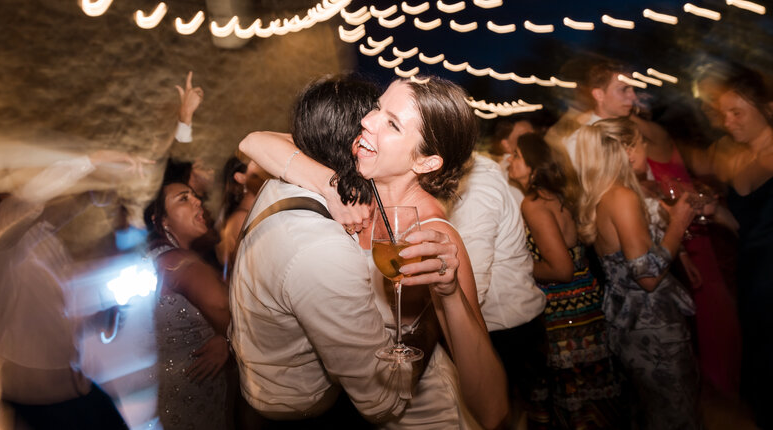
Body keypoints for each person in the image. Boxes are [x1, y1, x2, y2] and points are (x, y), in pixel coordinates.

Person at [237, 76, 509, 429]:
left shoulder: (433, 236)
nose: (367, 121)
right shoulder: (362, 174)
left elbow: (492, 409)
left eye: (392, 124)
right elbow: (254, 141)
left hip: (420, 412)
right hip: (362, 402)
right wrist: (328, 185)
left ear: (425, 162)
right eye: (378, 108)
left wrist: (450, 293)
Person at [0, 150, 148, 430]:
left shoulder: (41, 239)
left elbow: (45, 316)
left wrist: (96, 319)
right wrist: (90, 161)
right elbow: (30, 202)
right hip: (34, 394)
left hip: (69, 383)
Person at [576, 121, 699, 429]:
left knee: (649, 411)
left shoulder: (606, 195)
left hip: (627, 324)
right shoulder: (622, 197)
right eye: (642, 143)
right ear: (628, 151)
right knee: (676, 414)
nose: (647, 149)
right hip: (652, 326)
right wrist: (678, 224)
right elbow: (648, 277)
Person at [508, 132, 623, 428]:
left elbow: (561, 270)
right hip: (586, 300)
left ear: (534, 168)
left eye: (517, 156)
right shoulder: (557, 196)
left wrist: (515, 265)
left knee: (573, 403)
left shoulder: (534, 203)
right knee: (593, 398)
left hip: (564, 309)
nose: (510, 159)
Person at [446, 153, 546, 426]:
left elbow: (473, 280)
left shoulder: (476, 184)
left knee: (499, 420)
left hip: (504, 328)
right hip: (507, 325)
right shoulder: (472, 173)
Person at [146, 181, 232, 430]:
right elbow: (222, 307)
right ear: (162, 220)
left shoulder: (158, 255)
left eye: (195, 196)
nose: (197, 201)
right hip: (193, 392)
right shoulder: (179, 262)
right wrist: (229, 339)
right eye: (184, 199)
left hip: (171, 388)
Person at [717, 65, 773, 429]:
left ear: (767, 108)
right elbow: (744, 226)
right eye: (724, 114)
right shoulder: (742, 158)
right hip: (753, 279)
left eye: (737, 112)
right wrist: (713, 211)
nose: (728, 122)